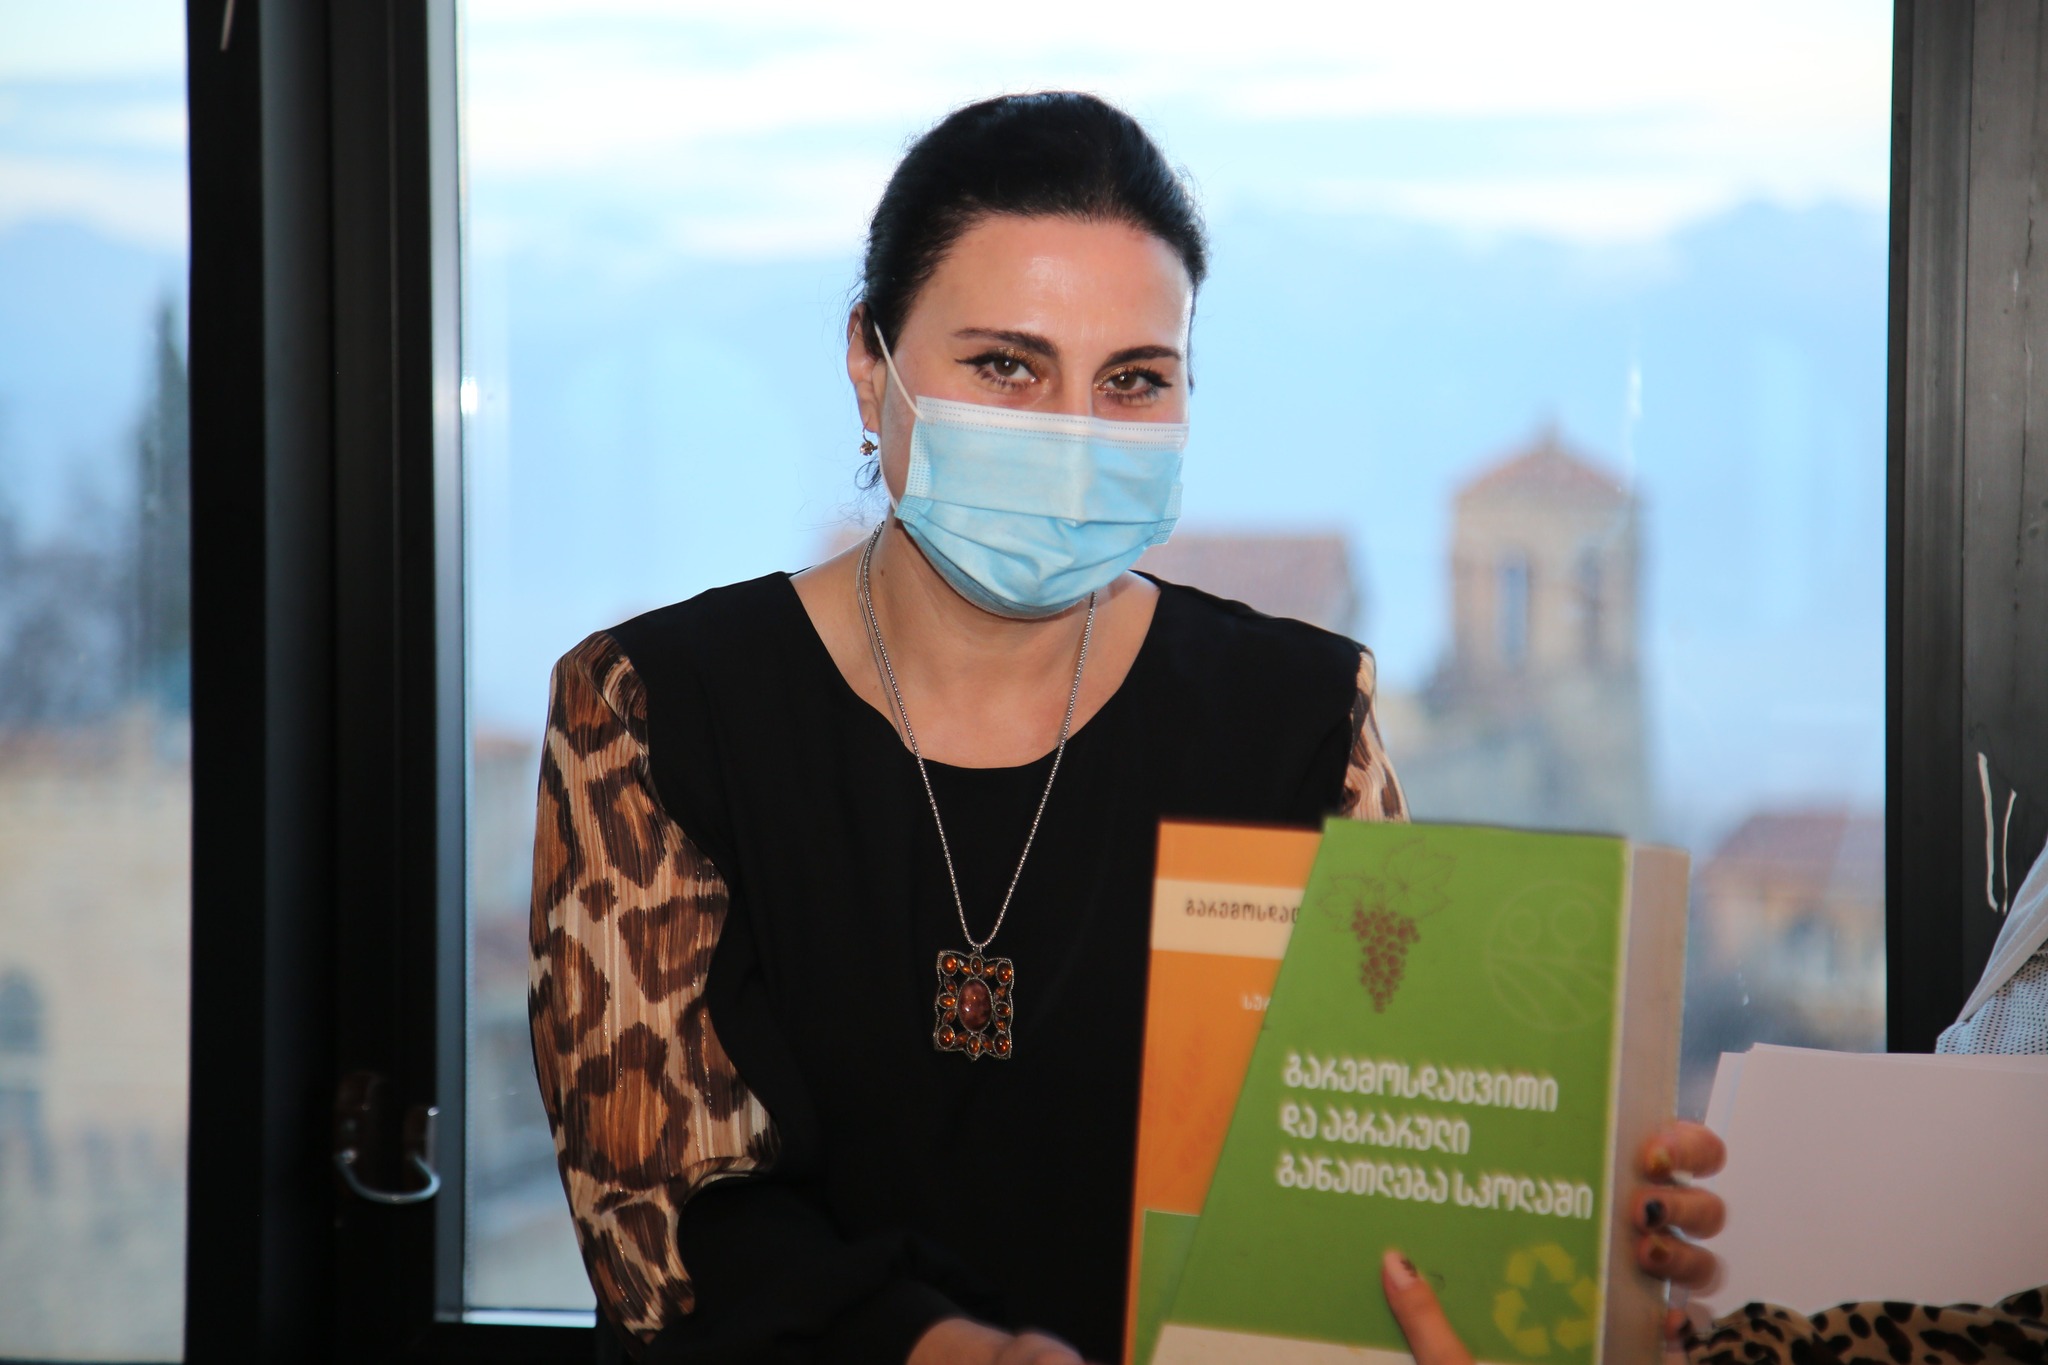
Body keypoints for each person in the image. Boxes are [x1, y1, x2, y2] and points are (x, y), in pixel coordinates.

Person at [528, 91, 1723, 1365]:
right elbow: (661, 1221)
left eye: (1133, 381)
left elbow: (1381, 1143)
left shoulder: (1301, 722)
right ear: (869, 365)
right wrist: (963, 1358)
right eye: (1006, 366)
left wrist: (1576, 1217)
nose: (1072, 438)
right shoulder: (653, 708)